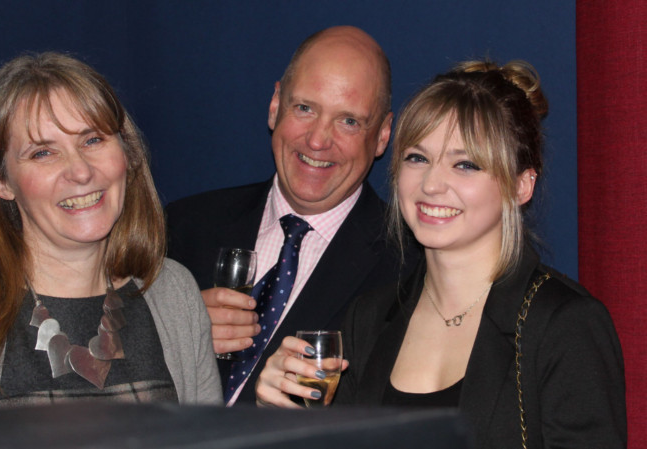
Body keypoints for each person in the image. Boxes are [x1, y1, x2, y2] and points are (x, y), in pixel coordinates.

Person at [256, 60, 627, 447]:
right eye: (418, 158)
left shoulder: (565, 325)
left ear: (521, 186)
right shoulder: (368, 317)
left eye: (465, 165)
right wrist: (282, 419)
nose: (432, 184)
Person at [0, 52, 221, 408]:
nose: (80, 172)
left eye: (92, 140)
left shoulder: (174, 292)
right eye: (42, 153)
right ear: (0, 181)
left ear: (127, 155)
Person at [166, 26, 415, 405]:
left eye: (348, 120)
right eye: (305, 108)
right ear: (274, 105)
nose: (317, 140)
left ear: (382, 135)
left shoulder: (409, 274)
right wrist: (173, 332)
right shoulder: (182, 229)